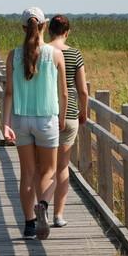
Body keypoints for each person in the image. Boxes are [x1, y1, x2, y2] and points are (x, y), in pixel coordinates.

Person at [3, 7, 68, 240]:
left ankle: (30, 224)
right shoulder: (55, 54)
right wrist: (61, 118)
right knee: (48, 170)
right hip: (47, 118)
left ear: (24, 28)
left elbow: (9, 92)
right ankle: (43, 204)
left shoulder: (13, 55)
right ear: (44, 26)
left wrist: (5, 123)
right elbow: (64, 93)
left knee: (27, 173)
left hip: (21, 119)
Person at [47, 15, 88, 227]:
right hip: (70, 112)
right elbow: (82, 90)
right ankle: (58, 215)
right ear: (67, 31)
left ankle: (41, 207)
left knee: (44, 167)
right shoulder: (74, 54)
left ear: (49, 31)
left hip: (45, 113)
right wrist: (84, 111)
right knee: (63, 167)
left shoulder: (43, 52)